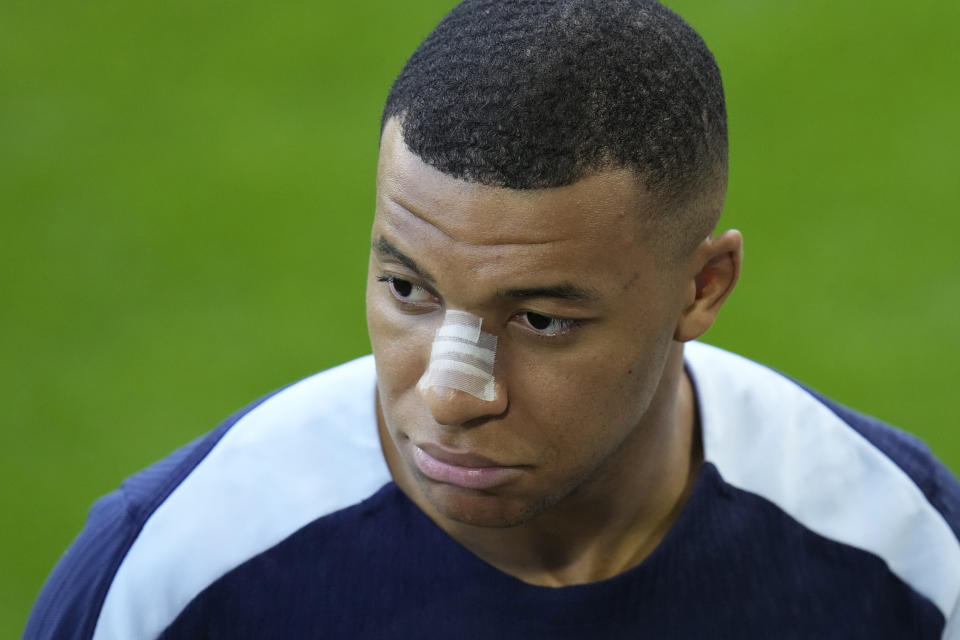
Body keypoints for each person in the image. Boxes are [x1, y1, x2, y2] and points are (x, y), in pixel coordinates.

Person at [25, 0, 960, 638]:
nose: (450, 391)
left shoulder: (901, 554)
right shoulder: (168, 576)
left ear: (702, 288)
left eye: (543, 319)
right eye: (408, 290)